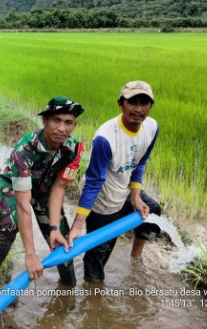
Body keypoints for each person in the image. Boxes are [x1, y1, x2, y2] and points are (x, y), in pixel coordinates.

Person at [0, 96, 86, 291]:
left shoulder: (73, 150)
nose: (62, 128)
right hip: (13, 184)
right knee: (10, 224)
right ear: (45, 121)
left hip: (44, 189)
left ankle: (68, 285)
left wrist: (54, 227)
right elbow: (23, 205)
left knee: (61, 237)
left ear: (74, 125)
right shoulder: (25, 149)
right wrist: (30, 254)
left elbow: (59, 187)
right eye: (56, 120)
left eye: (68, 123)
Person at [69, 80, 161, 282]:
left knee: (152, 208)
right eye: (132, 102)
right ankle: (92, 295)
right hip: (103, 198)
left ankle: (136, 258)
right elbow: (94, 182)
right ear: (121, 104)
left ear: (151, 106)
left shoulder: (152, 127)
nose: (138, 110)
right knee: (99, 253)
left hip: (125, 189)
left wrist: (136, 195)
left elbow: (141, 160)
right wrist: (77, 225)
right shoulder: (106, 137)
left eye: (144, 103)